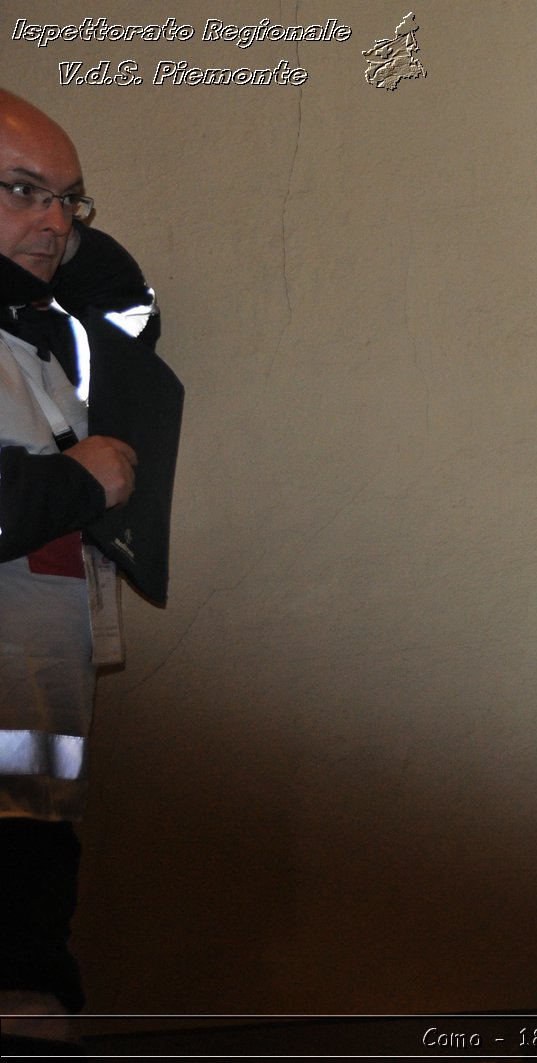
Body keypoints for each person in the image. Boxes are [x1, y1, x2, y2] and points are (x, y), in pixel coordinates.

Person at [1, 88, 166, 1049]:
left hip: (32, 733)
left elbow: (127, 301)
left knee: (29, 952)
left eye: (71, 200)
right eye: (25, 190)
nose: (56, 223)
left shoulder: (34, 333)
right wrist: (81, 479)